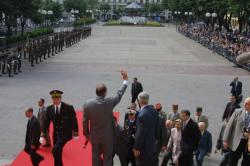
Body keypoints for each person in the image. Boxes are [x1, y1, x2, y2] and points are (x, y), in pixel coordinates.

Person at [83, 70, 128, 166]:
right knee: (107, 158)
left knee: (95, 157)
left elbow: (85, 121)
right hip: (108, 137)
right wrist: (125, 81)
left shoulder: (87, 104)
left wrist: (86, 134)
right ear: (105, 92)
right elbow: (119, 94)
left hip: (94, 136)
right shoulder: (109, 102)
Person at [41, 90, 79, 166]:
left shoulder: (68, 108)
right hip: (56, 134)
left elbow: (74, 120)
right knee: (58, 152)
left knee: (54, 150)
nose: (55, 100)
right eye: (54, 99)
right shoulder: (49, 109)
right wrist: (42, 134)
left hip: (65, 134)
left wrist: (75, 132)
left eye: (57, 98)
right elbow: (46, 122)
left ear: (60, 98)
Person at [133, 91, 159, 166]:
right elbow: (157, 128)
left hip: (143, 149)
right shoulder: (154, 111)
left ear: (140, 100)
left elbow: (140, 133)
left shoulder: (142, 114)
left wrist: (136, 148)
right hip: (151, 146)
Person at [223, 97, 250, 166]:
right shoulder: (238, 112)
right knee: (232, 161)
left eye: (247, 104)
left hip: (248, 143)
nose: (244, 105)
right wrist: (225, 140)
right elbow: (229, 126)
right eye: (244, 103)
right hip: (237, 140)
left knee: (247, 162)